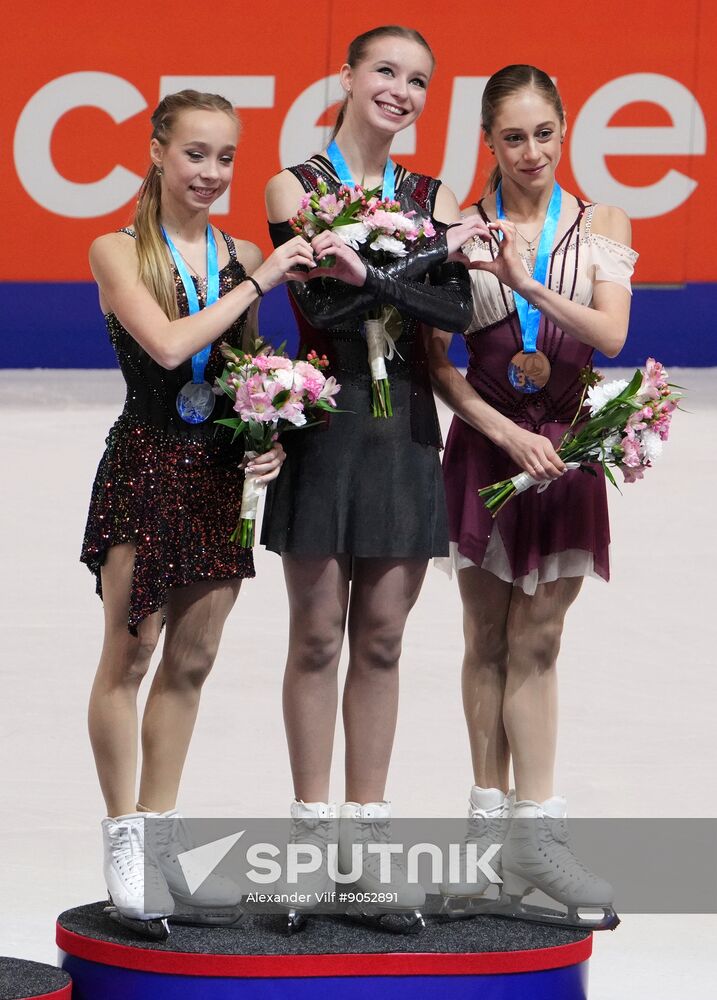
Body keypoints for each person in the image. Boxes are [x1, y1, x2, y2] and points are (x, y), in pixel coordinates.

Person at [80, 89, 315, 936]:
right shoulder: (116, 251)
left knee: (192, 661)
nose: (211, 172)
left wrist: (272, 439)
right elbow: (173, 346)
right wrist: (258, 279)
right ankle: (124, 847)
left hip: (219, 477)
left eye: (225, 158)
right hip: (145, 468)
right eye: (194, 154)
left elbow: (245, 377)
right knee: (130, 655)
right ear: (155, 152)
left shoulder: (240, 251)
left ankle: (163, 845)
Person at [263, 25, 481, 931]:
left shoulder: (432, 197)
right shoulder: (293, 186)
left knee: (382, 641)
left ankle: (366, 859)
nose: (399, 89)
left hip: (403, 434)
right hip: (323, 419)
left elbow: (454, 313)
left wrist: (387, 266)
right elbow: (317, 303)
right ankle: (309, 857)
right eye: (385, 72)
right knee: (318, 637)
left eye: (417, 81)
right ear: (349, 78)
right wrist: (422, 262)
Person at [430, 64, 637, 930]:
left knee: (538, 643)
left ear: (564, 133)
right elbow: (434, 361)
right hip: (487, 448)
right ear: (489, 142)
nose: (530, 152)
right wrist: (499, 431)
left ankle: (538, 834)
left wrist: (523, 284)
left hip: (569, 456)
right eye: (512, 137)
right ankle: (487, 848)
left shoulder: (601, 224)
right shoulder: (454, 231)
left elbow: (609, 333)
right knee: (484, 641)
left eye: (543, 134)